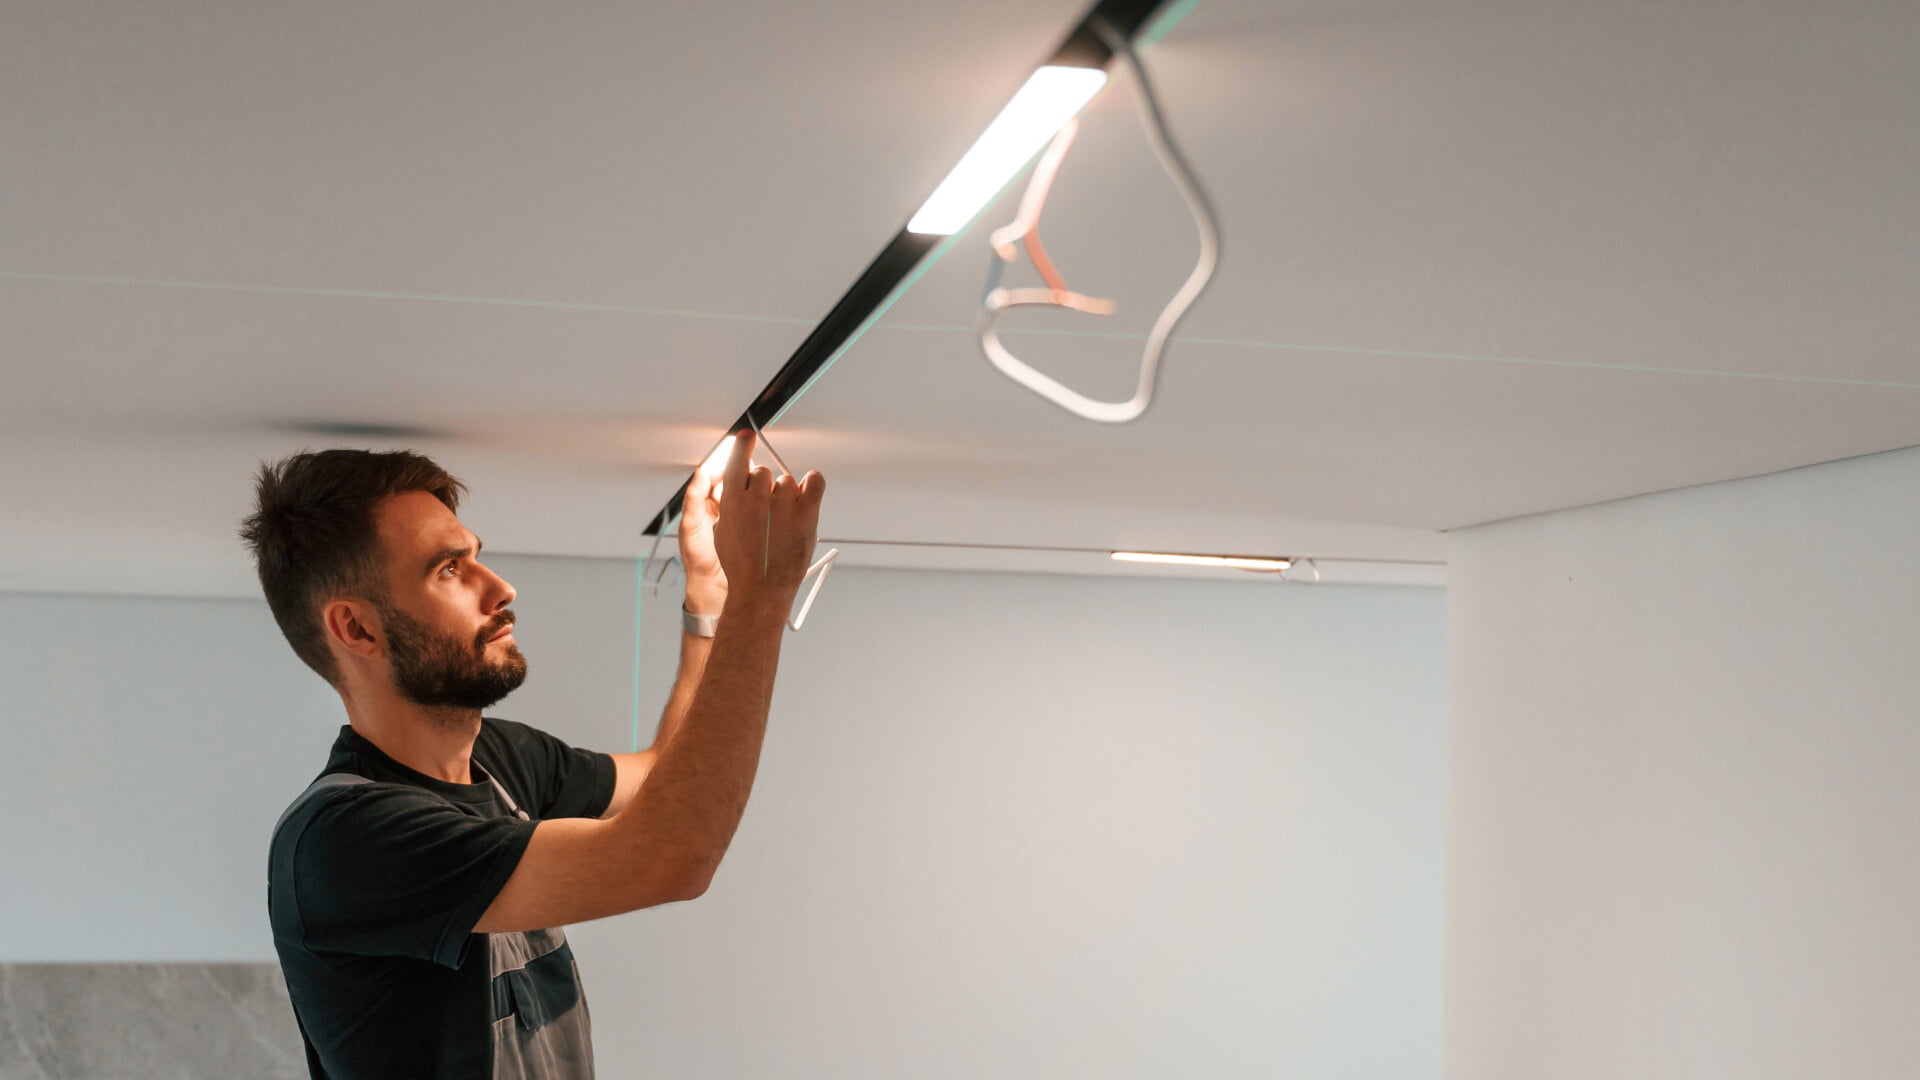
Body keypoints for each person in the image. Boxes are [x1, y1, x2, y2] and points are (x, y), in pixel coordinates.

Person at [242, 430, 823, 1078]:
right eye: (448, 570)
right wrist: (762, 597)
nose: (501, 588)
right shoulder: (344, 842)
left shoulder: (500, 759)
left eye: (475, 557)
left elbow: (668, 776)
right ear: (357, 629)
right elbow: (674, 855)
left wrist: (712, 599)